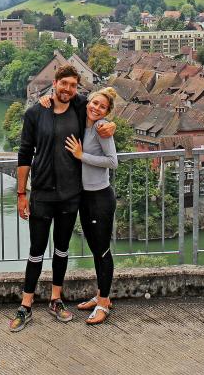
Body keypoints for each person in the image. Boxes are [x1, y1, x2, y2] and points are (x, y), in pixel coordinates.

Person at [9, 65, 115, 333]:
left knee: (62, 249)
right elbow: (24, 154)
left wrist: (112, 125)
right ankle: (26, 304)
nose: (68, 89)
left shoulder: (80, 107)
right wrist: (22, 193)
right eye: (63, 83)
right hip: (42, 193)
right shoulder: (36, 112)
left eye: (73, 85)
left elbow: (100, 108)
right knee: (36, 251)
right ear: (54, 83)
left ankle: (56, 299)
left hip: (70, 195)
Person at [65, 86, 119, 325]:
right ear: (88, 102)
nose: (96, 108)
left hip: (100, 197)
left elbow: (112, 162)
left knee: (102, 251)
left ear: (108, 112)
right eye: (94, 103)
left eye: (102, 107)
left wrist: (81, 156)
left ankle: (104, 303)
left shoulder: (100, 129)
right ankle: (100, 296)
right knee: (96, 249)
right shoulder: (82, 121)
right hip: (85, 197)